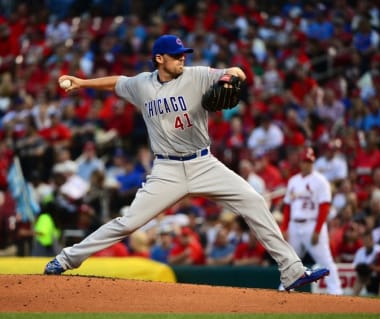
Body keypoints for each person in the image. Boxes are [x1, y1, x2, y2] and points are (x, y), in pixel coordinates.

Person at [43, 34, 329, 290]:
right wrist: (81, 82)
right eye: (177, 55)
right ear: (159, 59)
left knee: (253, 201)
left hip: (204, 164)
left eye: (184, 54)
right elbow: (117, 82)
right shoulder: (142, 84)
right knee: (128, 223)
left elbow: (236, 71)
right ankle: (66, 259)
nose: (183, 58)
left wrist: (232, 79)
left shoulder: (197, 75)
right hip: (167, 170)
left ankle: (291, 271)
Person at [280, 147, 343, 295]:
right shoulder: (293, 181)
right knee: (289, 261)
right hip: (295, 225)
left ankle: (336, 291)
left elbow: (324, 207)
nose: (306, 164)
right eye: (304, 161)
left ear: (313, 162)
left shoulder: (321, 181)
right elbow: (288, 207)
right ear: (300, 162)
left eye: (309, 162)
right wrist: (285, 227)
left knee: (325, 260)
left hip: (312, 224)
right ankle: (285, 288)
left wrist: (317, 229)